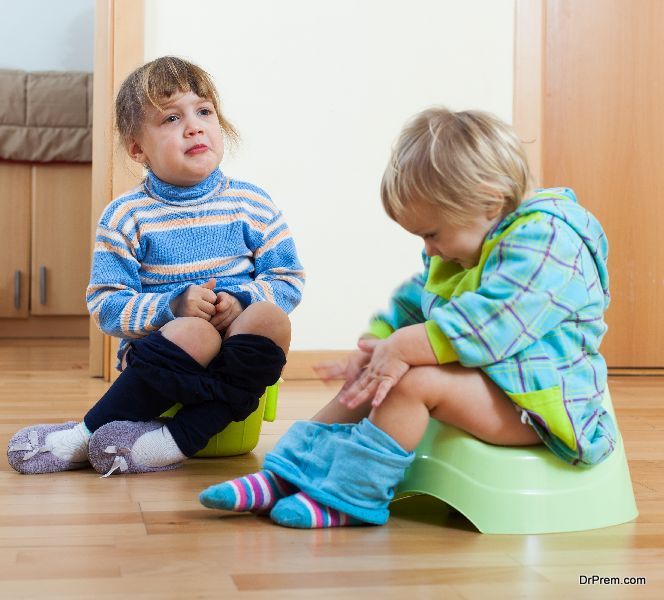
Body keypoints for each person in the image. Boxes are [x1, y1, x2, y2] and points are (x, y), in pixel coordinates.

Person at [199, 107, 617, 528]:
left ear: (489, 201)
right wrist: (380, 344)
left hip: (543, 406)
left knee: (410, 383)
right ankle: (283, 476)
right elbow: (417, 301)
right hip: (495, 383)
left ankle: (352, 497)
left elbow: (494, 322)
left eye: (432, 234)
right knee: (372, 376)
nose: (430, 250)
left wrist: (405, 348)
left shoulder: (549, 242)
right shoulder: (470, 241)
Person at [7, 56, 304, 476]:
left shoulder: (252, 203)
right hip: (167, 360)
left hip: (239, 364)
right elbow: (107, 306)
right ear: (137, 148)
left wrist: (241, 301)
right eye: (170, 118)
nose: (194, 126)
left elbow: (287, 279)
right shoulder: (126, 215)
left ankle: (176, 439)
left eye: (204, 111)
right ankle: (88, 433)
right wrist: (171, 307)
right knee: (195, 330)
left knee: (271, 317)